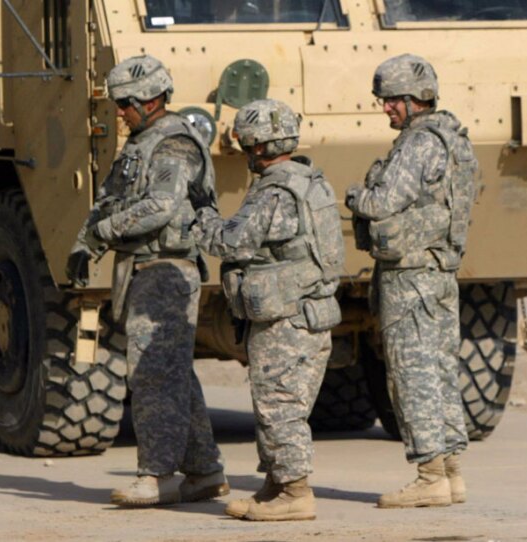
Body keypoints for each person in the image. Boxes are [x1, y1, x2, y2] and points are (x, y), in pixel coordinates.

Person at [65, 54, 228, 507]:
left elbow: (161, 206)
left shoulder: (174, 143)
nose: (119, 112)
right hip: (144, 268)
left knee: (152, 376)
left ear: (151, 99)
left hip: (167, 269)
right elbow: (113, 199)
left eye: (125, 103)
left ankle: (156, 476)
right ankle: (204, 470)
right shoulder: (142, 141)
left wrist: (103, 233)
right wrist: (86, 243)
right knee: (173, 373)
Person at [190, 98, 344, 521]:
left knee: (279, 405)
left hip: (285, 318)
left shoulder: (275, 192)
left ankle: (295, 494)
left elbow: (231, 242)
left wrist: (200, 215)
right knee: (283, 402)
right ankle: (276, 484)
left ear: (258, 146)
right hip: (308, 312)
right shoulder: (311, 181)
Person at [345, 53, 477, 509]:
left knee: (411, 374)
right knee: (440, 371)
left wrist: (354, 195)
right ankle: (452, 472)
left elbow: (382, 202)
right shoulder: (454, 138)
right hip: (439, 272)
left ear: (413, 99)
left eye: (391, 101)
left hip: (410, 276)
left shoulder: (418, 143)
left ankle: (429, 476)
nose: (386, 109)